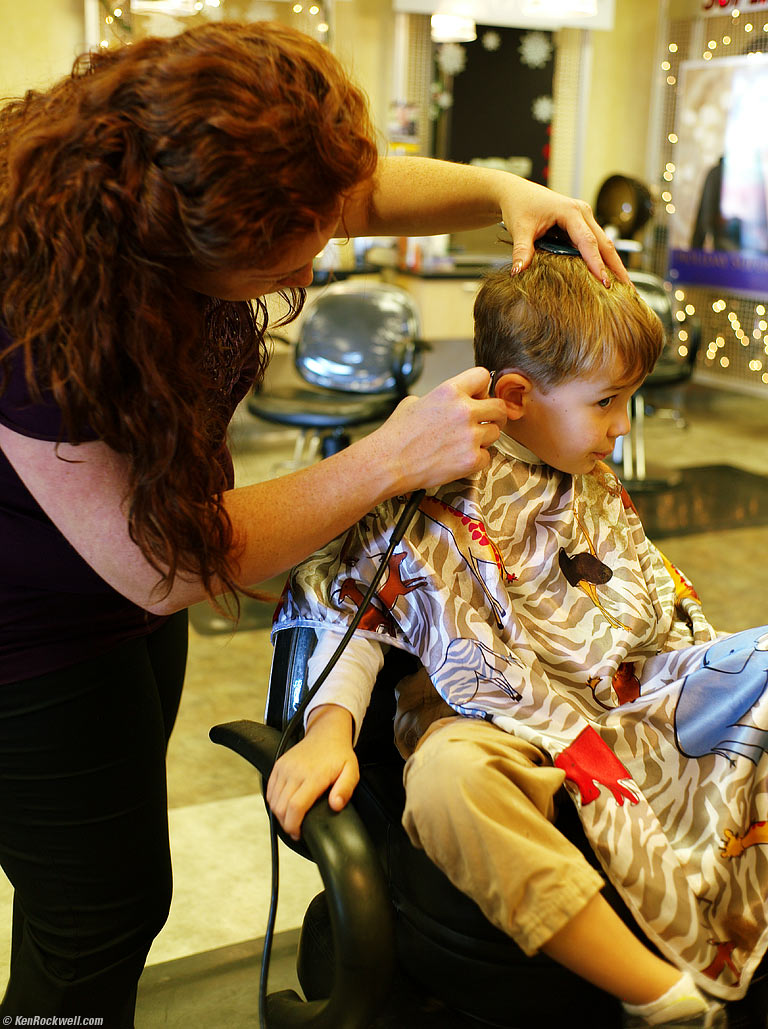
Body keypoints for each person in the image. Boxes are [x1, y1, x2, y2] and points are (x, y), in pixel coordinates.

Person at [0, 19, 630, 1024]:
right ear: (183, 247)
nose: (304, 280)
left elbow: (360, 192)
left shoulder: (214, 186)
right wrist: (388, 459)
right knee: (97, 911)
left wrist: (506, 193)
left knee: (102, 870)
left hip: (132, 598)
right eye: (285, 266)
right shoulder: (37, 324)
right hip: (25, 634)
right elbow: (174, 564)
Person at [269, 251, 768, 1026]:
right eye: (607, 401)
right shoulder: (431, 477)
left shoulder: (588, 473)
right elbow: (355, 609)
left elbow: (651, 610)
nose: (622, 425)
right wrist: (326, 731)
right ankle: (660, 996)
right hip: (485, 721)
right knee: (449, 785)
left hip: (619, 699)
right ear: (515, 396)